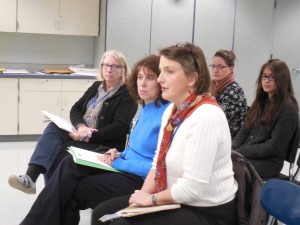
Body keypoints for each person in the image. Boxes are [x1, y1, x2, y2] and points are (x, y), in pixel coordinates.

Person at [92, 42, 238, 225]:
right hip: (176, 198)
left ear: (192, 79)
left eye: (169, 71)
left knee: (122, 223)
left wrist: (151, 200)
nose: (160, 79)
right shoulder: (172, 112)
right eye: (161, 71)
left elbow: (193, 188)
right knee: (101, 213)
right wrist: (142, 196)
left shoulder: (207, 116)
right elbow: (157, 164)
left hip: (206, 210)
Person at [19, 55, 170, 225]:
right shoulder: (147, 108)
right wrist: (119, 154)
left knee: (69, 189)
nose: (142, 83)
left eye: (150, 78)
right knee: (69, 161)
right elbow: (135, 149)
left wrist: (118, 161)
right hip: (119, 161)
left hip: (137, 177)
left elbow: (159, 166)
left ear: (161, 81)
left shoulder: (167, 115)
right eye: (140, 77)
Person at [8, 50, 138, 194]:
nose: (109, 69)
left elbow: (119, 127)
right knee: (53, 127)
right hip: (82, 133)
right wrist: (81, 127)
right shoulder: (96, 87)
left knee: (59, 150)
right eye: (106, 65)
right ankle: (30, 177)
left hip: (103, 144)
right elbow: (75, 109)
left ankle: (50, 196)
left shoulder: (127, 94)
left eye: (115, 66)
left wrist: (86, 136)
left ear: (123, 70)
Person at [232, 59, 299, 179]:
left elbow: (273, 147)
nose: (266, 80)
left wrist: (240, 152)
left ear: (281, 79)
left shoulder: (288, 109)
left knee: (228, 169)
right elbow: (244, 131)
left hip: (268, 162)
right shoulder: (260, 101)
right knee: (220, 162)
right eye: (264, 76)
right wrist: (232, 148)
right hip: (248, 155)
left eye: (271, 77)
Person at [209, 50, 248, 139]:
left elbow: (219, 120)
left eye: (220, 67)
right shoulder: (210, 87)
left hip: (227, 139)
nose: (215, 70)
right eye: (213, 66)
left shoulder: (234, 91)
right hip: (212, 134)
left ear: (231, 69)